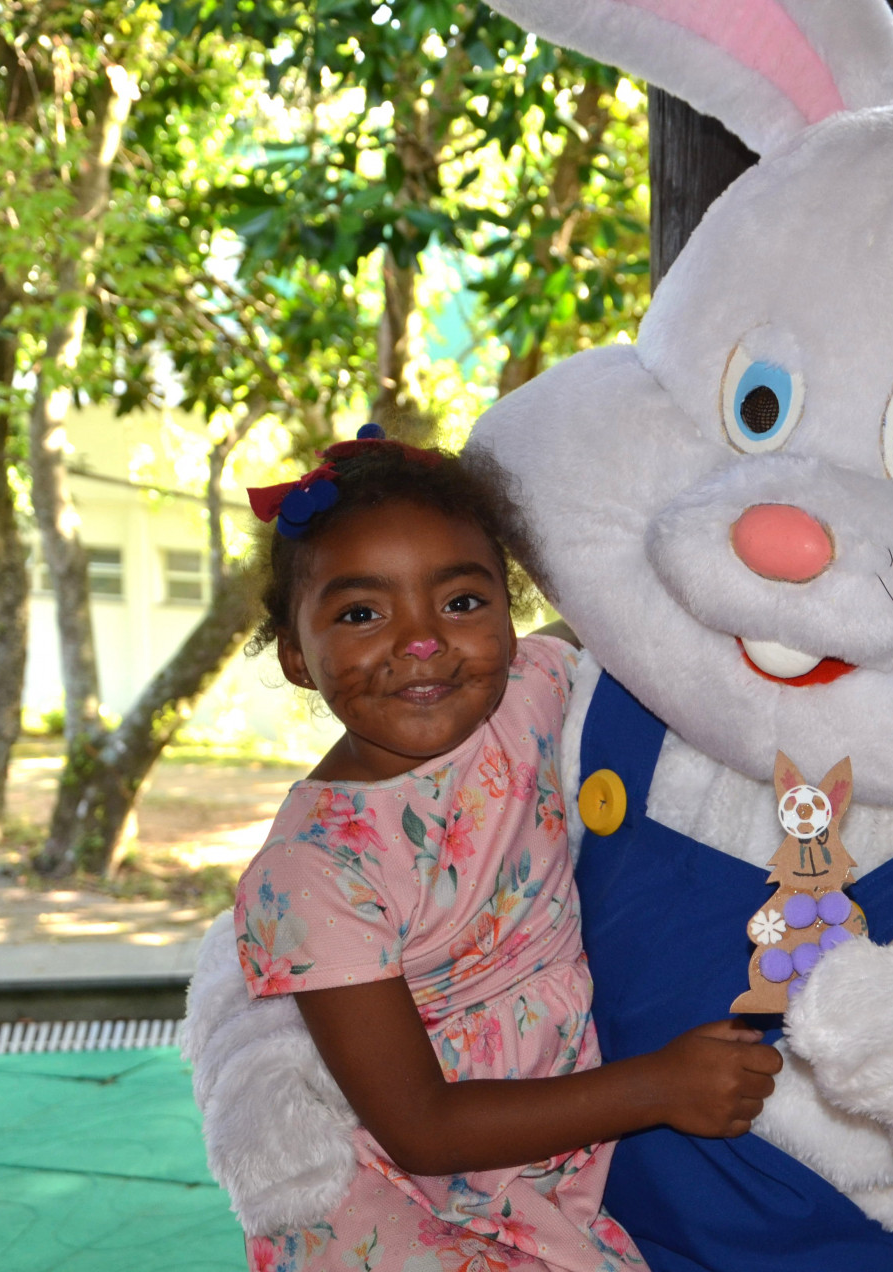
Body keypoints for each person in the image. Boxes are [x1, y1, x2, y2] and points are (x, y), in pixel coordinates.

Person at [229, 427, 782, 1272]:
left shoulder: (528, 688)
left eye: (460, 602)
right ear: (297, 656)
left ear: (509, 616)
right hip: (416, 1200)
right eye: (363, 613)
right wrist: (657, 1086)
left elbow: (622, 607)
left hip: (550, 1151)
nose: (422, 642)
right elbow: (420, 1127)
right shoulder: (314, 871)